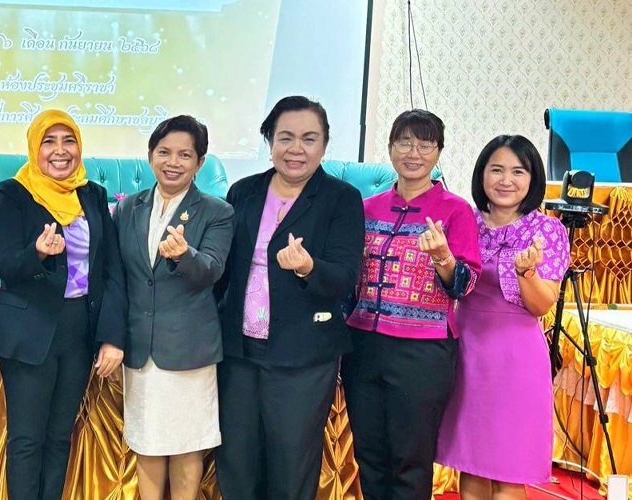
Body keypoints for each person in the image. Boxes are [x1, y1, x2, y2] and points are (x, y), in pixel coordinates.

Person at [212, 96, 366, 500]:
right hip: (239, 353)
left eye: (309, 139)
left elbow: (345, 278)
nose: (296, 149)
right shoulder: (243, 192)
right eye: (285, 137)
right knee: (236, 461)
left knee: (291, 466)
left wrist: (308, 267)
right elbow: (222, 273)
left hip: (302, 357)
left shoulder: (341, 198)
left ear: (324, 145)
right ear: (270, 141)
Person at [343, 109, 483, 500]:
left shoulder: (455, 210)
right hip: (363, 346)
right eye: (404, 142)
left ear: (438, 152)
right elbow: (350, 280)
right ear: (390, 148)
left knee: (411, 459)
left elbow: (466, 285)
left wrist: (443, 258)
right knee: (369, 454)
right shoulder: (367, 208)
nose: (414, 153)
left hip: (422, 353)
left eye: (425, 144)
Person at [0, 109, 126, 500]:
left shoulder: (92, 195)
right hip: (29, 331)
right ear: (35, 147)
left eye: (69, 141)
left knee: (60, 436)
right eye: (49, 141)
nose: (60, 151)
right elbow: (7, 266)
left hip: (79, 330)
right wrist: (37, 252)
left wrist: (112, 336)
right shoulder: (15, 194)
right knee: (27, 439)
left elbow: (111, 270)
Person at [435, 135, 568, 500]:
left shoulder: (547, 230)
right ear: (482, 175)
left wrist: (527, 273)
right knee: (471, 465)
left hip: (516, 358)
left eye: (518, 171)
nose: (506, 180)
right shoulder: (464, 220)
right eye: (497, 170)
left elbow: (542, 306)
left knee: (509, 472)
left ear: (533, 178)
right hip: (466, 353)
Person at [113, 115, 232, 500]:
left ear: (200, 162)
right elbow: (117, 278)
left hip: (188, 349)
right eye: (164, 152)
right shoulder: (128, 208)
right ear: (150, 155)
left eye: (185, 155)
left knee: (186, 445)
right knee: (147, 442)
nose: (173, 162)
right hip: (139, 347)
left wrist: (184, 255)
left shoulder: (216, 211)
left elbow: (212, 270)